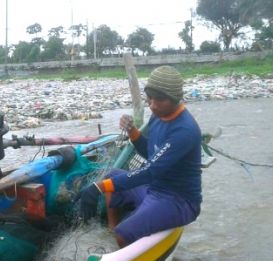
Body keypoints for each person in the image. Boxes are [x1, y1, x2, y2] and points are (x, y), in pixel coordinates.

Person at [79, 65, 202, 247]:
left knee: (124, 233)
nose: (152, 105)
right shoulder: (158, 115)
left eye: (160, 100)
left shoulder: (184, 131)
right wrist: (132, 131)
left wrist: (98, 187)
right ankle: (112, 228)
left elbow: (150, 171)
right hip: (154, 188)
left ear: (175, 99)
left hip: (178, 199)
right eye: (149, 99)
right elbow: (149, 153)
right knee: (112, 176)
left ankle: (121, 247)